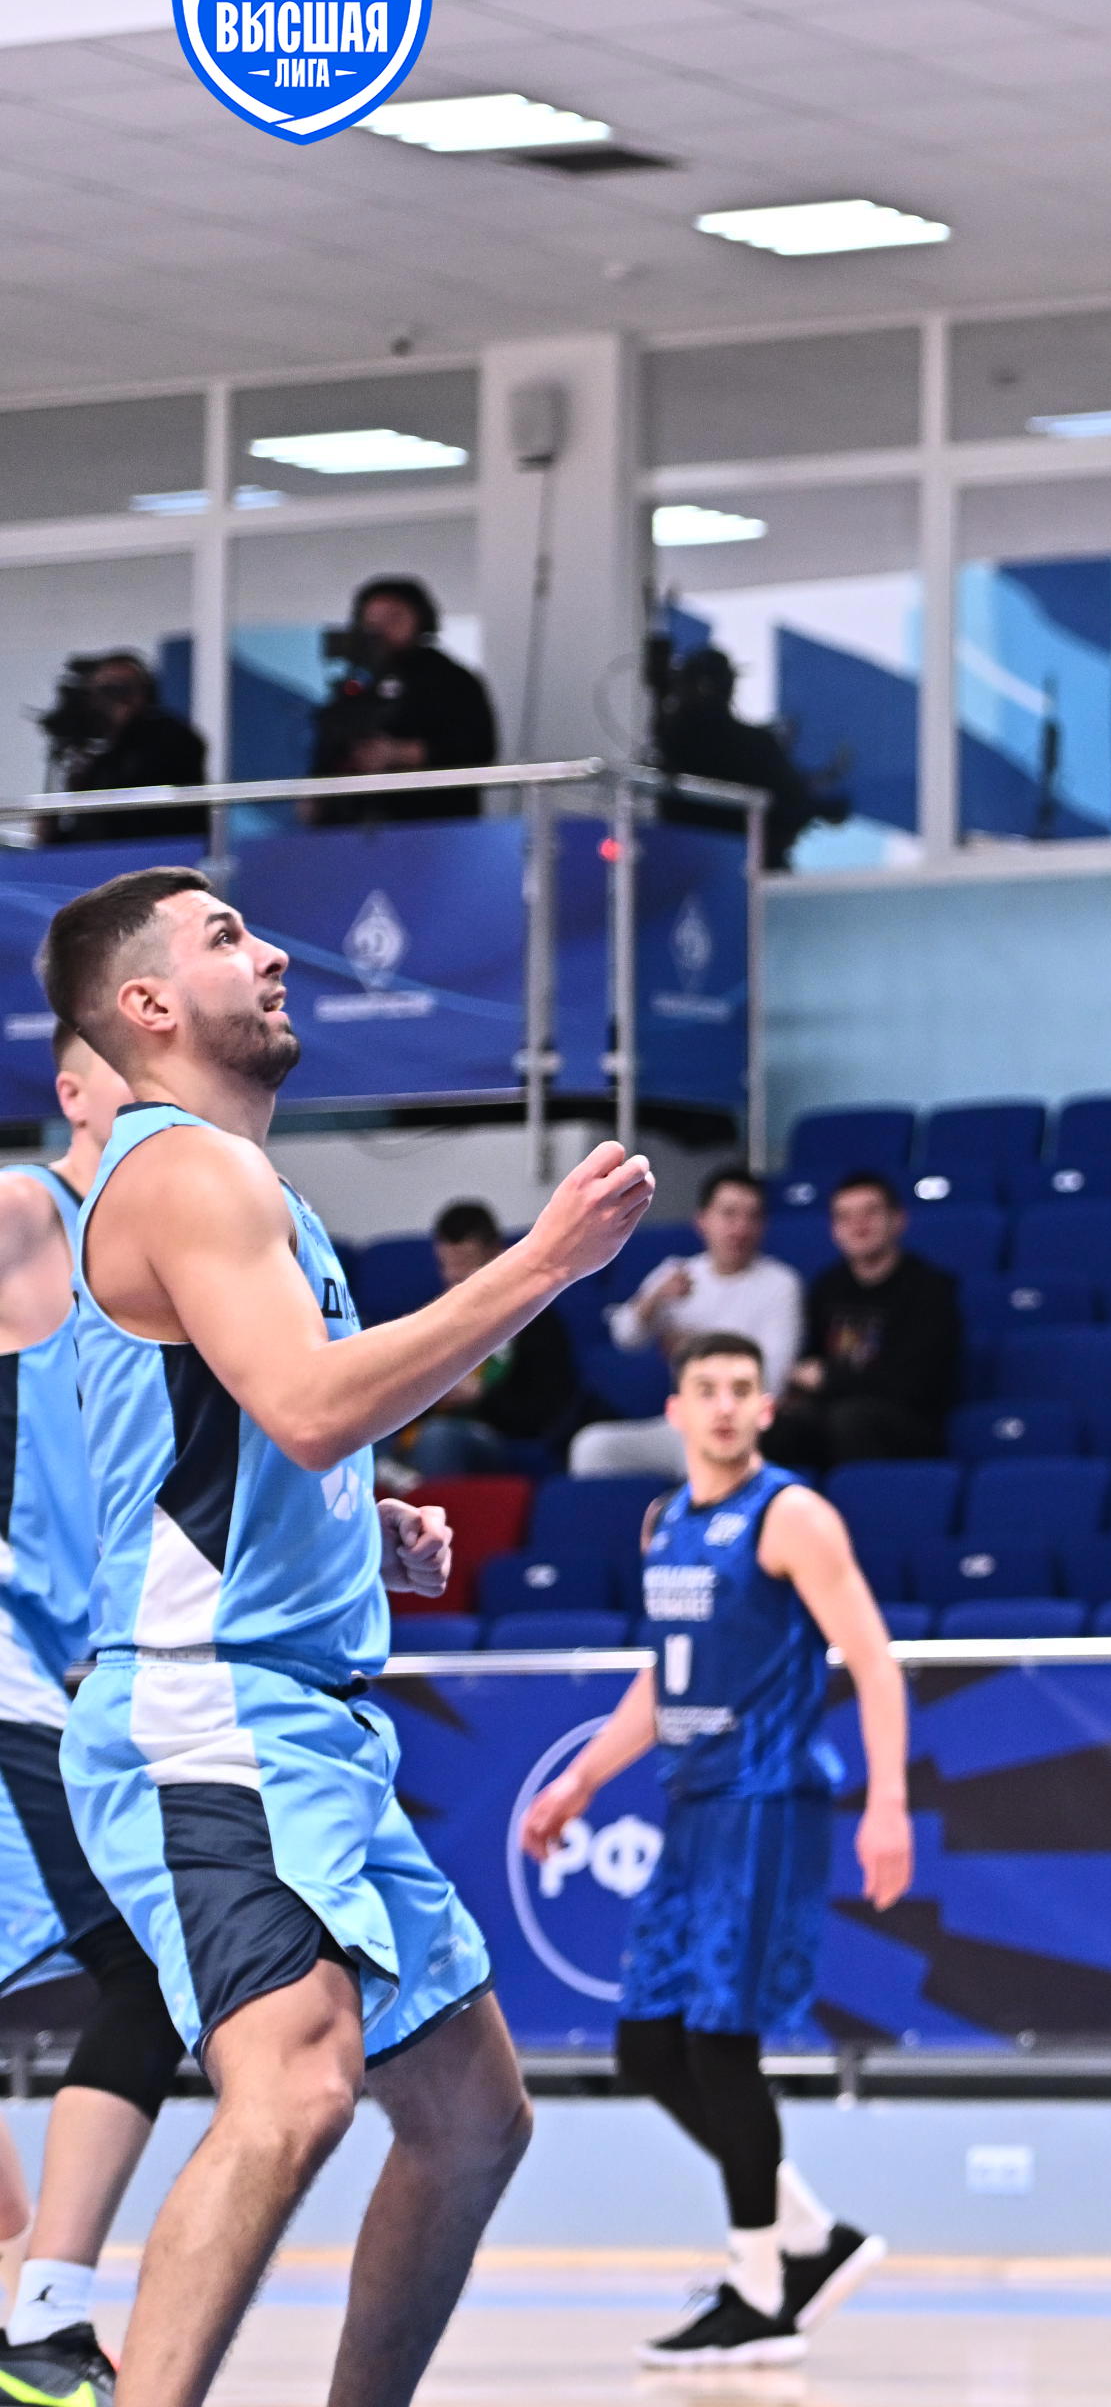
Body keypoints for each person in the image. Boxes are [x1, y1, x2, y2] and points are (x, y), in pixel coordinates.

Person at [38, 862, 654, 2407]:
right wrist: (545, 1263)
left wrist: (358, 1532)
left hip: (300, 1711)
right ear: (148, 1004)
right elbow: (313, 1408)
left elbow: (229, 1443)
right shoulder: (184, 1170)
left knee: (472, 2121)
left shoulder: (257, 1191)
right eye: (227, 936)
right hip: (209, 1711)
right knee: (299, 2081)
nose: (274, 954)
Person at [518, 1330, 909, 2366]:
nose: (727, 1404)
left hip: (766, 1801)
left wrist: (889, 1804)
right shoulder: (665, 1522)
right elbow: (666, 1677)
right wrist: (581, 1779)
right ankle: (810, 2238)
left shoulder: (792, 1514)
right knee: (646, 2049)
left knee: (719, 2041)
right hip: (691, 1804)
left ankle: (761, 2289)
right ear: (677, 1410)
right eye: (708, 1389)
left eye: (743, 1388)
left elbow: (874, 1662)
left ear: (767, 1408)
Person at [0, 1029, 189, 2406]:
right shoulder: (29, 1209)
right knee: (145, 1964)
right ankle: (48, 2315)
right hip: (16, 1659)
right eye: (131, 1063)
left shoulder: (179, 1253)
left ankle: (29, 2295)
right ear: (72, 1091)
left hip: (95, 1666)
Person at [573, 1165, 806, 1476]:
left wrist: (697, 1349)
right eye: (729, 1214)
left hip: (737, 1425)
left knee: (704, 1454)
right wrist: (654, 1300)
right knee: (592, 1447)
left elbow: (772, 1379)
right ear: (702, 1221)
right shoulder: (679, 1273)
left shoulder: (781, 1283)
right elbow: (626, 1336)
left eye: (752, 1217)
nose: (741, 1228)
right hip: (681, 1423)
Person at [762, 1174, 961, 1474]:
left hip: (907, 1424)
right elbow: (810, 1362)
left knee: (850, 1419)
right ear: (834, 1230)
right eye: (845, 1216)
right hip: (833, 1414)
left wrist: (830, 1379)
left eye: (870, 1212)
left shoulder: (931, 1289)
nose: (858, 1224)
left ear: (898, 1220)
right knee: (775, 1425)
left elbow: (915, 1383)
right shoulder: (828, 1286)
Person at [387, 1198, 584, 1479]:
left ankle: (416, 1495)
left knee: (438, 1438)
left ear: (496, 1256)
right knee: (357, 1433)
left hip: (496, 1434)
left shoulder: (535, 1319)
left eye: (466, 1265)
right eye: (445, 1265)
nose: (454, 1275)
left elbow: (545, 1412)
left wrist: (481, 1397)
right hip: (420, 1429)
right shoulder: (434, 1316)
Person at [305, 578, 499, 826]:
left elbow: (479, 747)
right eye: (372, 621)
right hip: (352, 829)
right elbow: (330, 745)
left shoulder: (451, 679)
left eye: (393, 618)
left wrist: (402, 753)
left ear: (420, 619)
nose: (381, 630)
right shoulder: (356, 683)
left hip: (433, 824)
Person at [650, 643, 837, 873]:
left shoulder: (676, 741)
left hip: (707, 868)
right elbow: (792, 803)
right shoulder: (753, 744)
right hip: (722, 870)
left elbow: (790, 803)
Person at [40, 651, 211, 847]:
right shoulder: (98, 761)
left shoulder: (170, 734)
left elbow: (147, 779)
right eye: (102, 690)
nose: (112, 699)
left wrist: (123, 726)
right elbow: (88, 832)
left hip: (160, 851)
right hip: (101, 856)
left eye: (121, 689)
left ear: (145, 693)